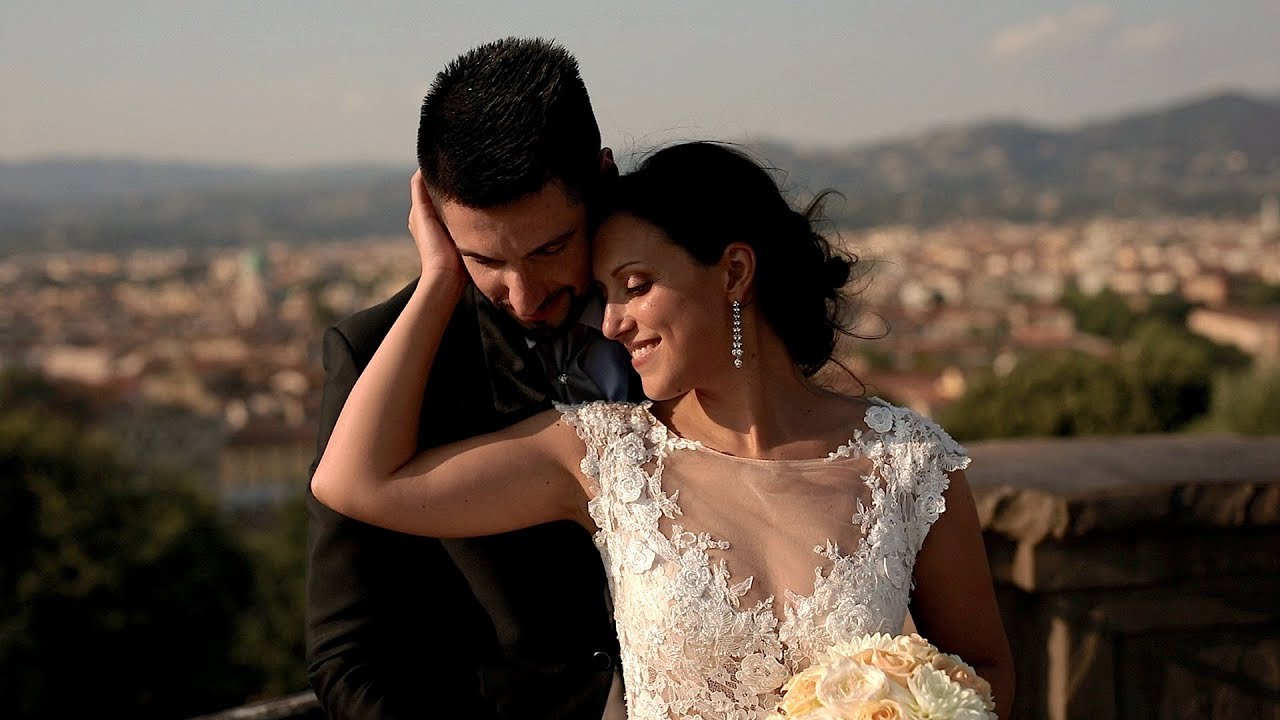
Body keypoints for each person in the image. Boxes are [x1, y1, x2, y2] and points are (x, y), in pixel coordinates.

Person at [312, 142, 1016, 719]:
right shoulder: (604, 456)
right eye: (605, 294)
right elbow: (354, 481)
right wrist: (442, 277)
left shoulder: (910, 464)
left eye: (636, 285)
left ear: (733, 271)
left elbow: (984, 670)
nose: (611, 322)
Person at [305, 37, 641, 720]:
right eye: (483, 259)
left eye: (550, 249)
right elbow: (347, 656)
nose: (524, 295)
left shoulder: (688, 315)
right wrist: (440, 283)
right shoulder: (376, 356)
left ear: (603, 182)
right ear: (433, 221)